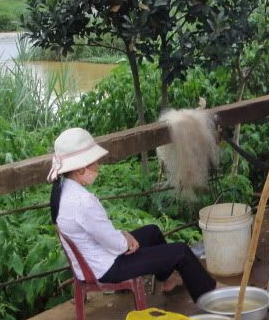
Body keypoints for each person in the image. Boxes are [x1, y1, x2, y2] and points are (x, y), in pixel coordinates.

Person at [48, 127, 216, 302]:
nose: (98, 166)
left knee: (152, 231)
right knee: (181, 251)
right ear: (81, 169)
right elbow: (118, 246)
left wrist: (124, 236)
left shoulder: (62, 190)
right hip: (108, 267)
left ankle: (168, 279)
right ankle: (212, 295)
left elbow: (102, 234)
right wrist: (125, 240)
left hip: (93, 260)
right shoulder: (83, 201)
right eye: (95, 162)